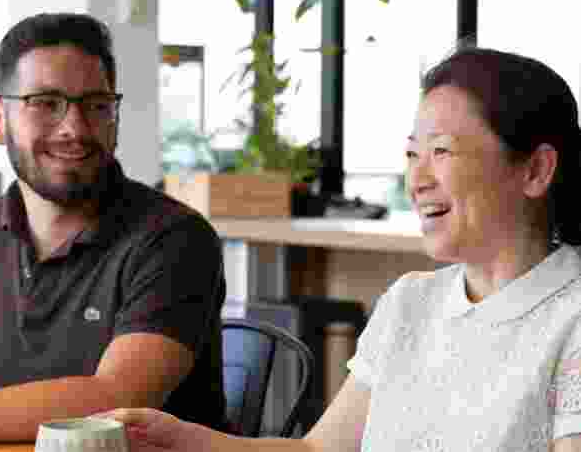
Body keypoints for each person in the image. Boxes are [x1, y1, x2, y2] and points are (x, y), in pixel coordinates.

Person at [103, 47, 581, 451]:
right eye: (412, 155)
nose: (417, 180)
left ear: (536, 170)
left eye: (442, 152)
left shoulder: (571, 317)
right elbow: (318, 449)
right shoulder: (410, 302)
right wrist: (192, 441)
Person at [0, 12, 227, 441]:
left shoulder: (174, 239)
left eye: (96, 105)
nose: (74, 128)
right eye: (46, 103)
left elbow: (116, 400)